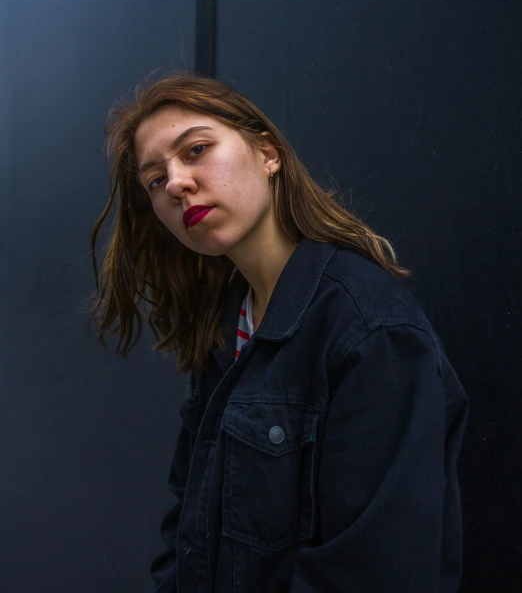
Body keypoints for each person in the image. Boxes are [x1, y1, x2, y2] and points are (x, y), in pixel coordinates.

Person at [89, 69, 470, 593]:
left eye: (196, 149)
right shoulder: (229, 329)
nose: (176, 183)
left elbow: (374, 571)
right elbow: (190, 535)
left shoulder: (369, 329)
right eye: (155, 180)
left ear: (268, 154)